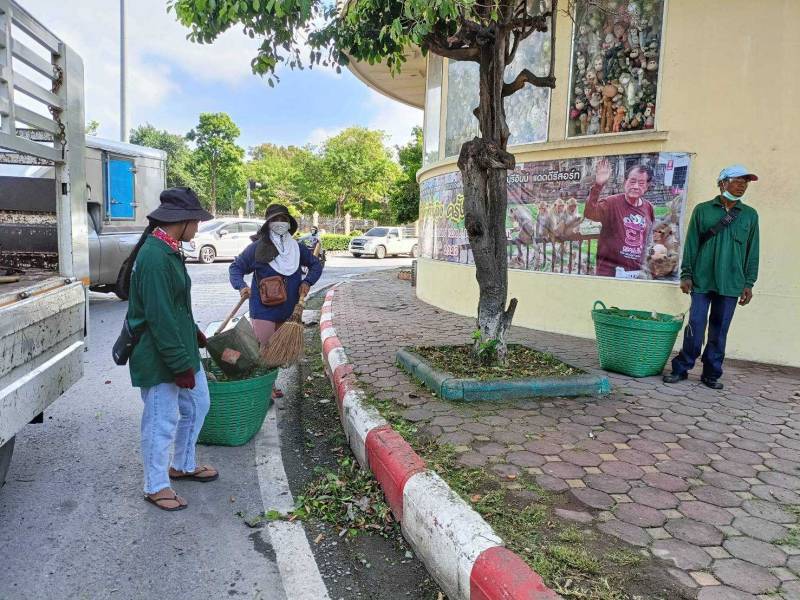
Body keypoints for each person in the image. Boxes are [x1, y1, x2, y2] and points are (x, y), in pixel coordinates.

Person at [123, 187, 218, 512]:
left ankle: (183, 464)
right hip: (159, 356)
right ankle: (155, 485)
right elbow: (159, 317)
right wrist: (179, 365)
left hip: (179, 347)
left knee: (199, 404)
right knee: (160, 420)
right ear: (183, 220)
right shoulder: (154, 257)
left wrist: (194, 332)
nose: (199, 228)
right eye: (197, 221)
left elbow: (175, 306)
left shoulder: (168, 249)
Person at [663, 165, 760, 389]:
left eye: (745, 182)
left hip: (732, 283)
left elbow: (752, 251)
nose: (742, 186)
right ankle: (681, 367)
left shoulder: (750, 215)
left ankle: (711, 373)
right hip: (701, 280)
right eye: (737, 181)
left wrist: (749, 283)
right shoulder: (703, 210)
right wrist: (686, 274)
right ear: (722, 183)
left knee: (720, 329)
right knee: (695, 325)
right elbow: (691, 244)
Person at [229, 204, 323, 398]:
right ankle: (263, 387)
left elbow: (315, 265)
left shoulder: (297, 249)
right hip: (263, 309)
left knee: (277, 352)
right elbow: (236, 267)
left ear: (289, 223)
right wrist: (241, 286)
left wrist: (307, 282)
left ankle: (269, 383)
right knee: (263, 350)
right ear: (268, 224)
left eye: (283, 219)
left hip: (289, 310)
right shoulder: (257, 248)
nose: (280, 223)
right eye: (275, 220)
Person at [584, 159, 655, 277]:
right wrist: (598, 185)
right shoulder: (611, 203)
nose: (636, 186)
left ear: (647, 186)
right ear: (625, 182)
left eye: (641, 183)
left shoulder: (648, 208)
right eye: (632, 181)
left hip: (636, 273)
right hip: (609, 273)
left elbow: (647, 238)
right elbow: (589, 213)